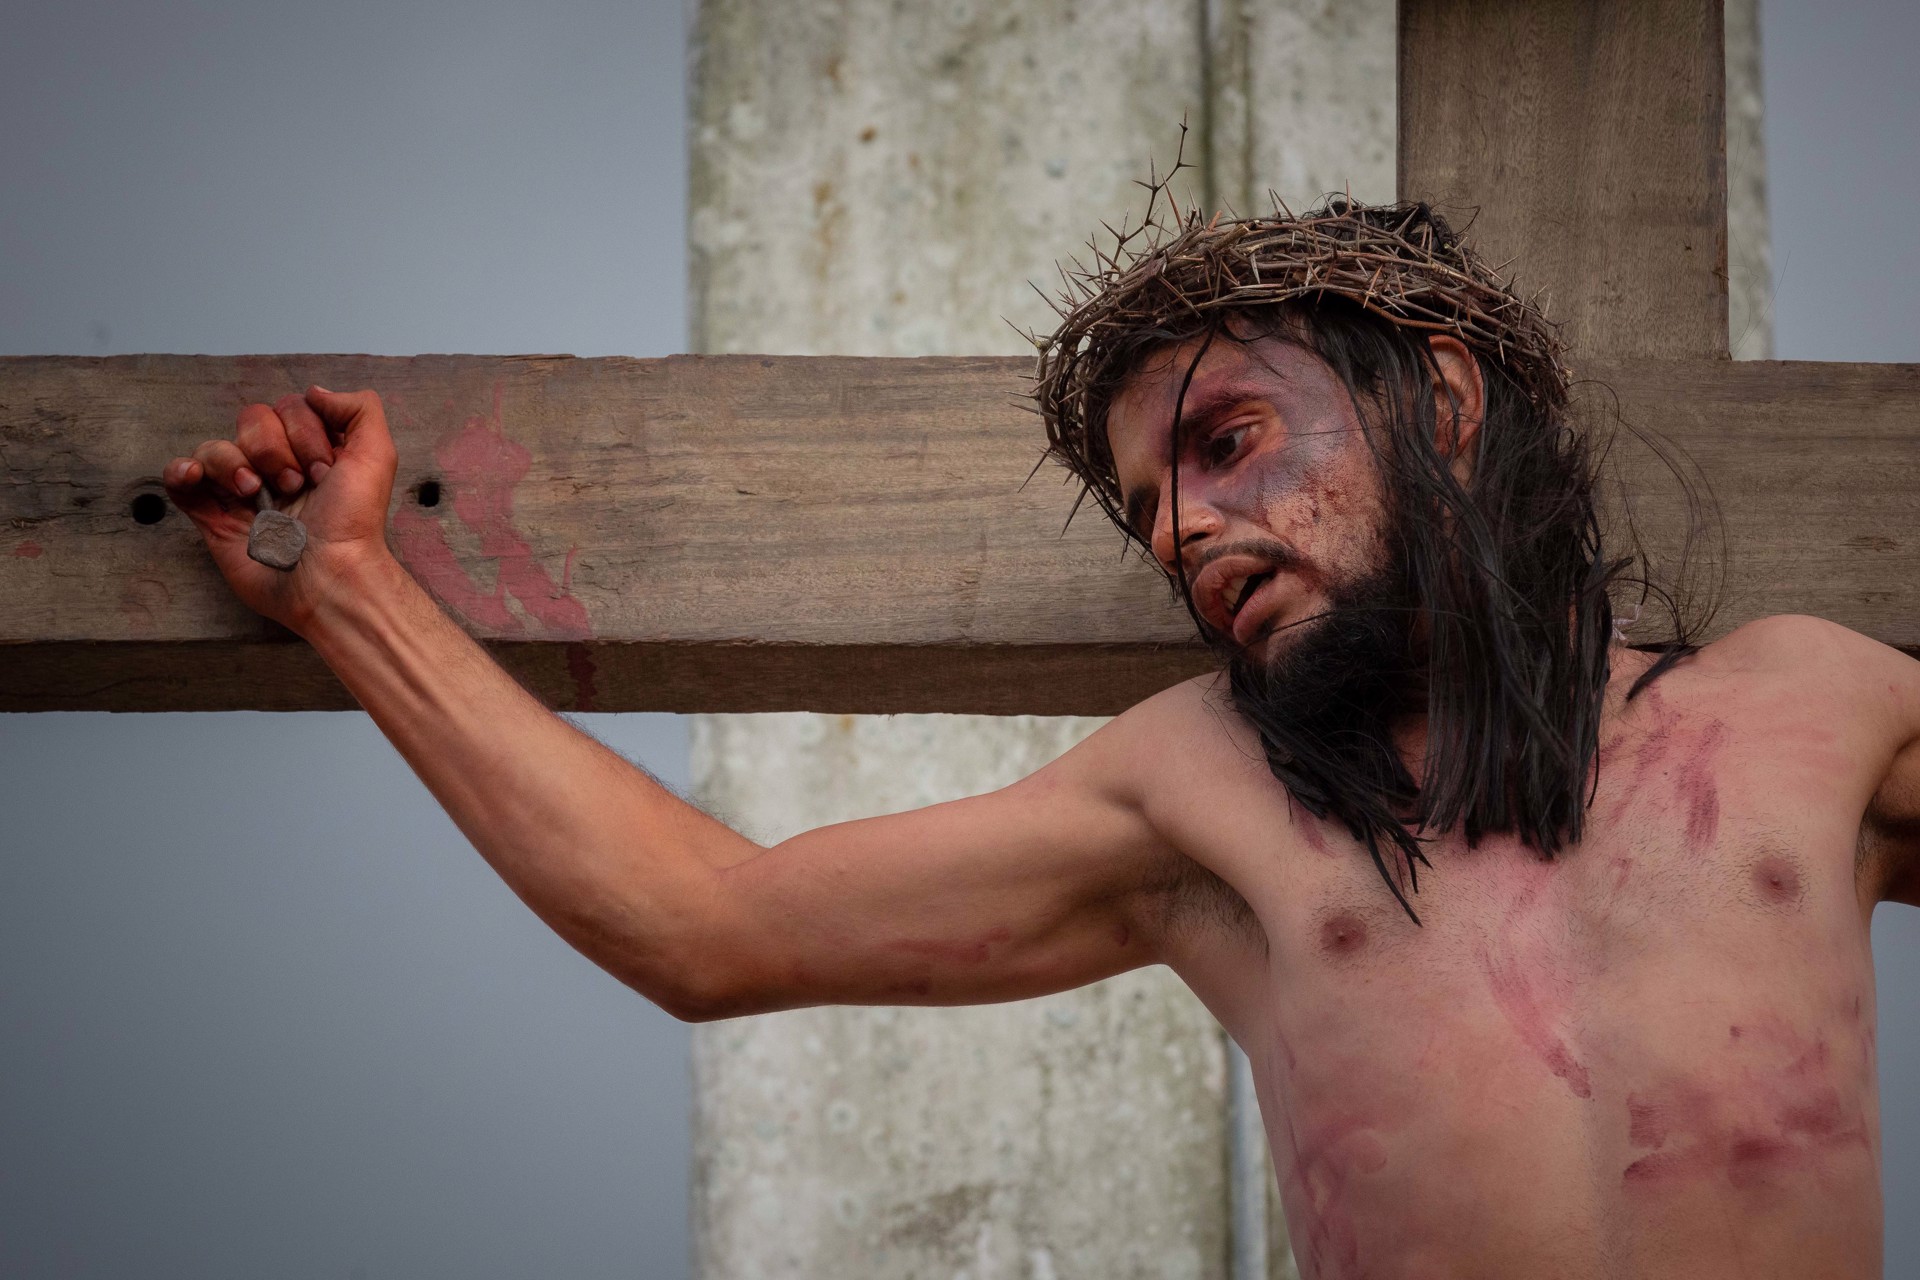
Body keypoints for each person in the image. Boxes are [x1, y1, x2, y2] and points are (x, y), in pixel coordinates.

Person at [162, 199, 1918, 1280]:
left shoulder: (1808, 707)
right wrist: (346, 586)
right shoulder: (1208, 796)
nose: (1186, 533)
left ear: (1440, 401)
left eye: (1231, 440)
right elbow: (707, 924)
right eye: (1154, 504)